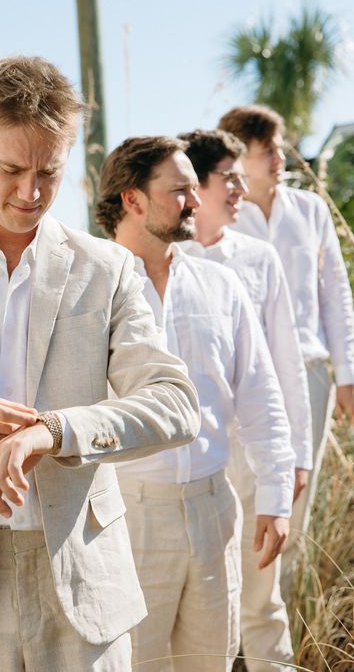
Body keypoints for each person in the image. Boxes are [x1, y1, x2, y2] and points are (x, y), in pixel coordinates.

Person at [0, 56, 201, 672]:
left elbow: (175, 404)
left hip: (83, 578)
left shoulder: (108, 269)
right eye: (11, 169)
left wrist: (55, 431)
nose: (31, 193)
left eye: (49, 172)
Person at [95, 135, 295, 672]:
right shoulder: (88, 290)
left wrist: (275, 494)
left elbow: (259, 393)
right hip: (125, 515)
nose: (195, 201)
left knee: (212, 661)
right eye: (179, 190)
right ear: (132, 199)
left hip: (215, 510)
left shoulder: (220, 285)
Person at [179, 128, 313, 671]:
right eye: (228, 178)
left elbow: (287, 366)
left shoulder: (259, 260)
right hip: (190, 464)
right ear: (196, 186)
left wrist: (295, 456)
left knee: (262, 604)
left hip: (254, 458)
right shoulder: (160, 260)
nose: (240, 188)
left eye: (241, 175)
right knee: (200, 607)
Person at [218, 105, 354, 591]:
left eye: (278, 148)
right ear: (239, 156)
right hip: (245, 377)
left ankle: (286, 622)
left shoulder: (311, 209)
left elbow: (335, 293)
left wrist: (347, 375)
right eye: (266, 150)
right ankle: (238, 631)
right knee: (241, 495)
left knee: (299, 491)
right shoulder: (222, 217)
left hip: (311, 371)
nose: (279, 157)